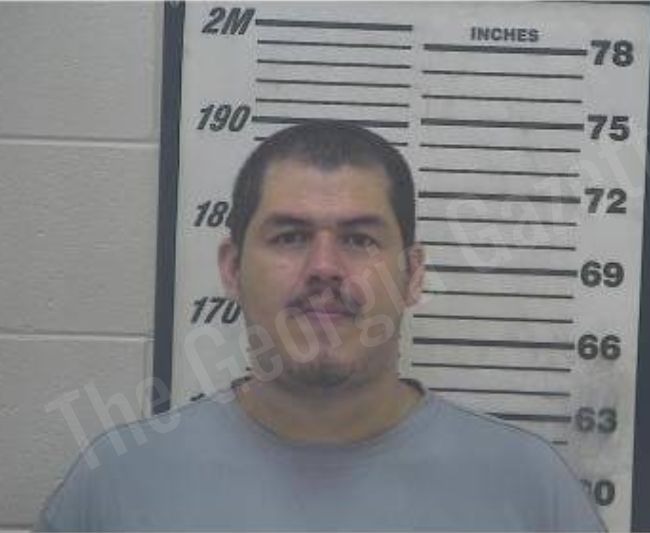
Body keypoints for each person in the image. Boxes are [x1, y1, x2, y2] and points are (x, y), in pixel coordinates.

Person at [33, 121, 606, 531]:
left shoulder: (531, 492)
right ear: (232, 268)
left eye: (359, 239)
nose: (324, 267)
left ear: (412, 275)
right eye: (290, 237)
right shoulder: (116, 487)